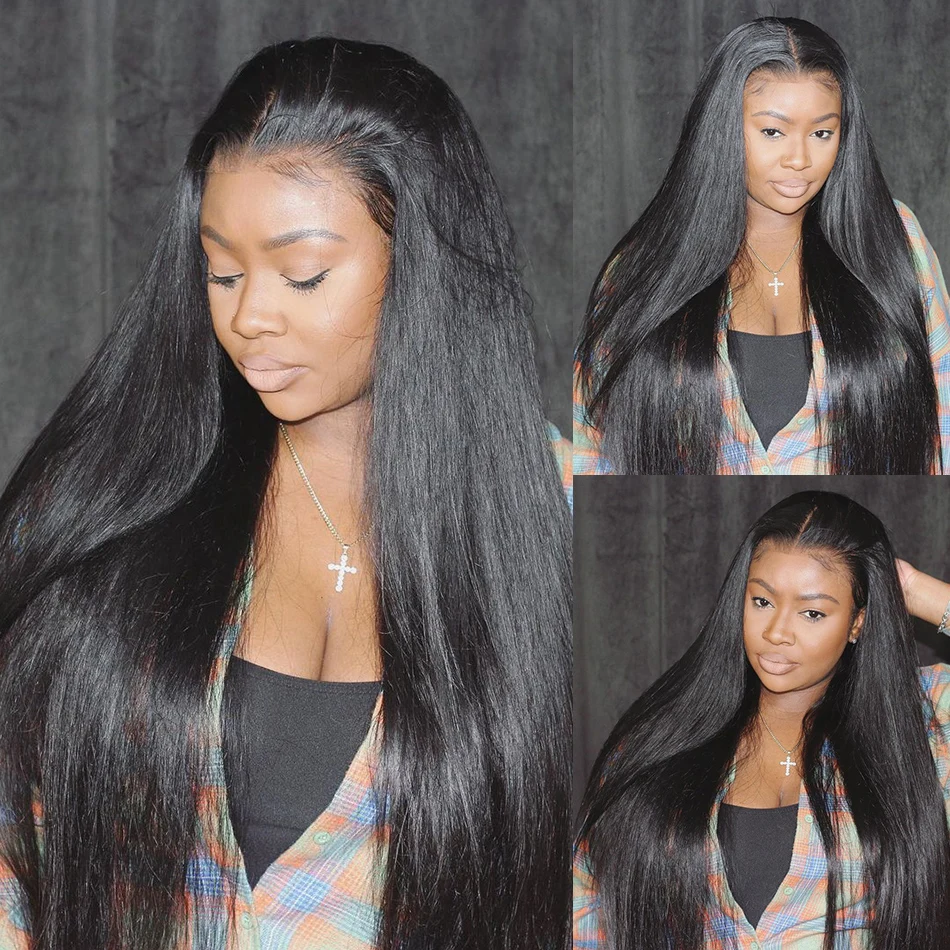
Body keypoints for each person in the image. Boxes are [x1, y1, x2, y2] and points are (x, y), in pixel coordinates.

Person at [0, 37, 572, 950]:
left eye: (303, 275)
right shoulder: (119, 490)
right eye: (222, 271)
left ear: (422, 260)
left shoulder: (550, 515)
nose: (248, 316)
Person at [574, 490, 950, 949]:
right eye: (762, 602)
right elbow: (588, 910)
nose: (776, 632)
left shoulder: (921, 724)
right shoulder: (665, 738)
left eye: (812, 612)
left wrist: (911, 590)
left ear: (857, 623)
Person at [574, 16, 950, 475]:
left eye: (822, 133)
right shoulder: (643, 266)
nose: (799, 159)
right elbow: (593, 450)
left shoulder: (892, 239)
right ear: (722, 128)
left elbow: (944, 416)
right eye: (773, 131)